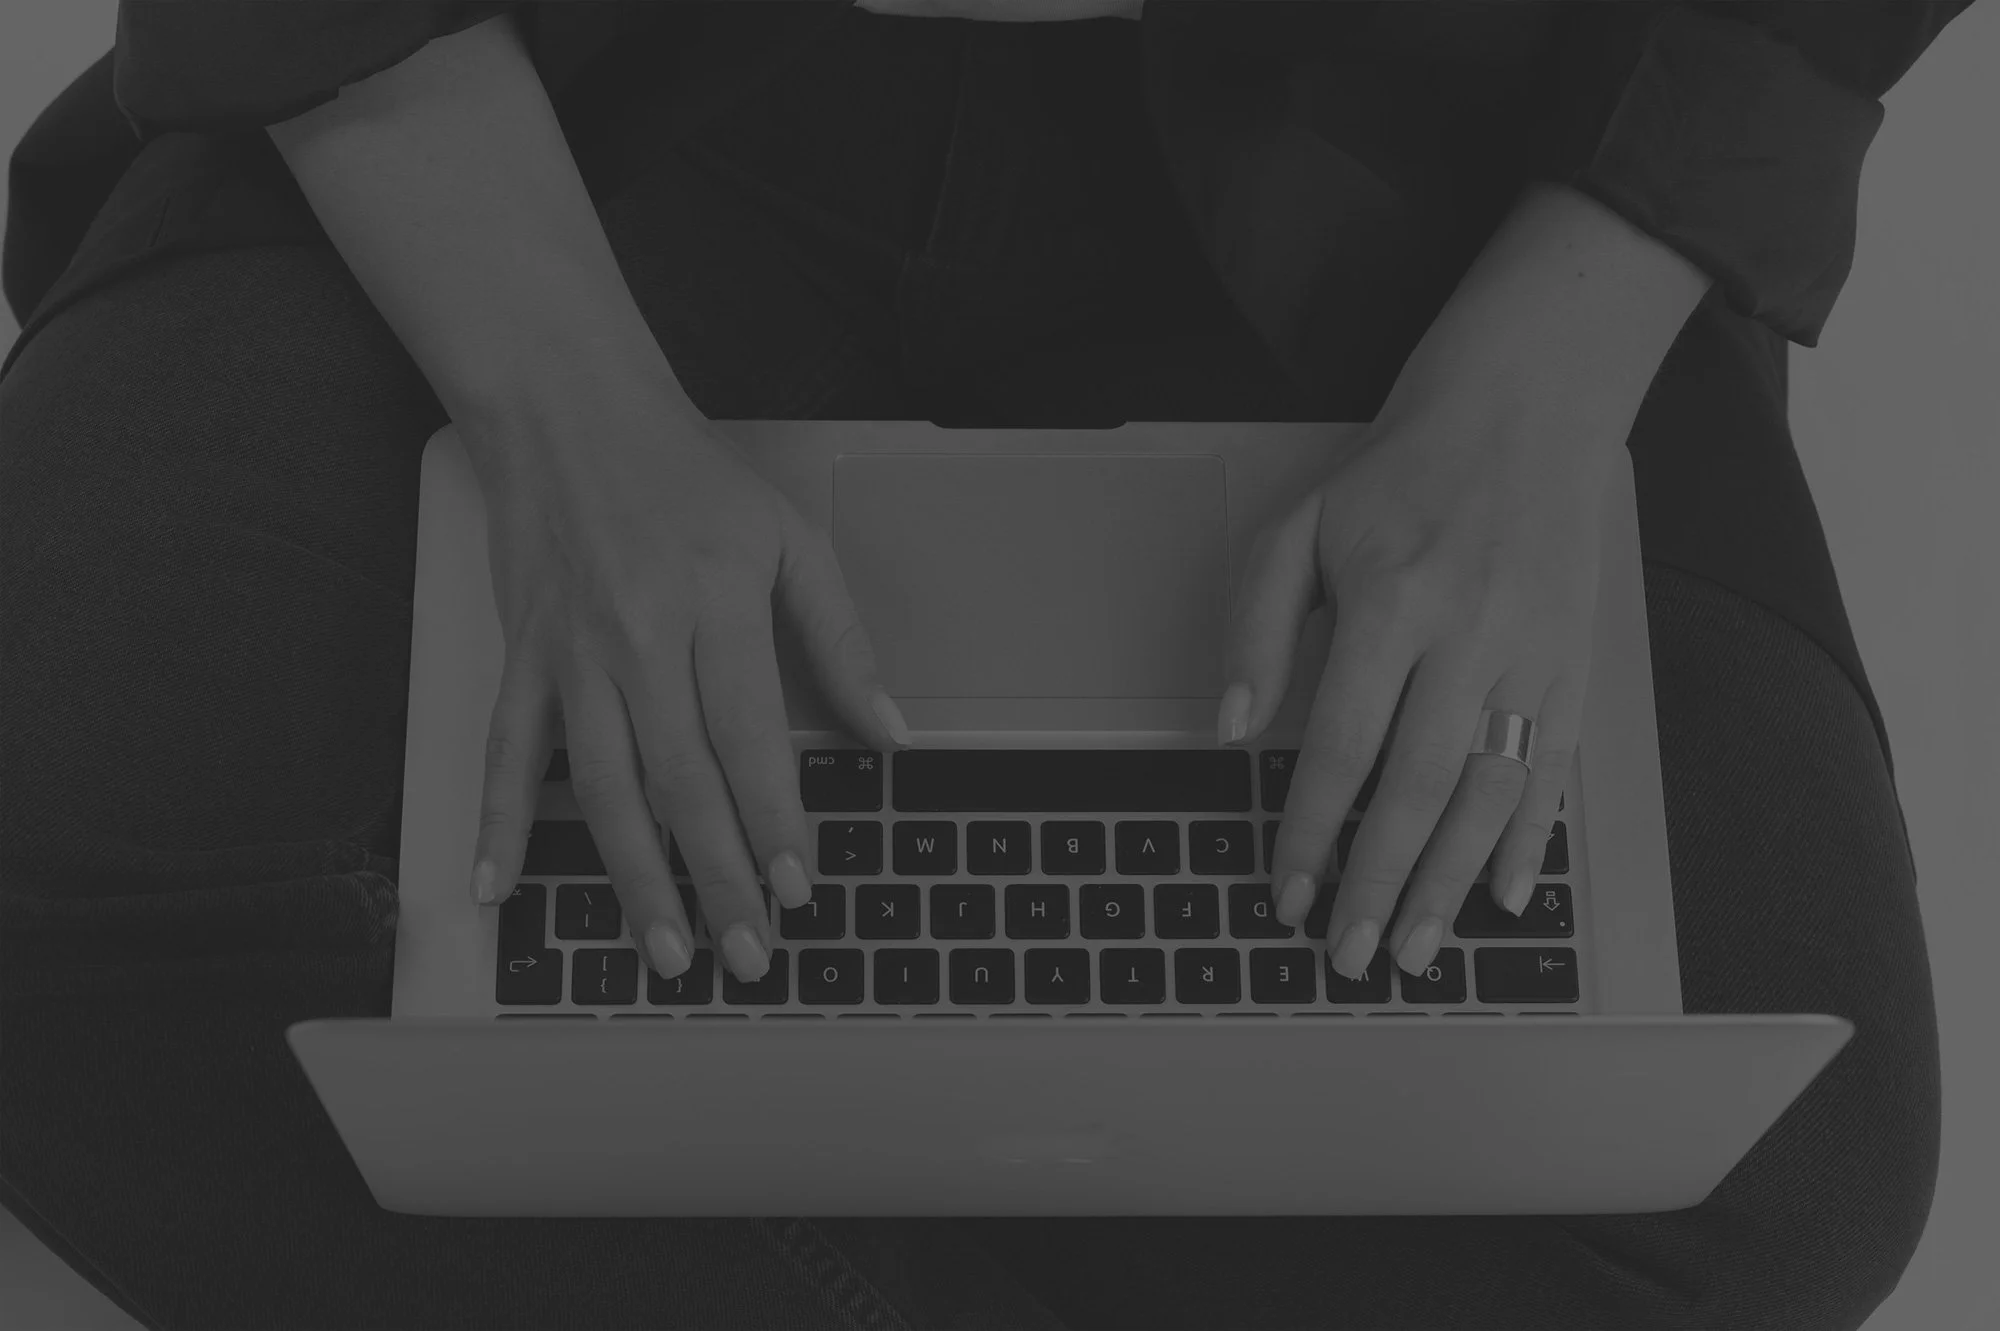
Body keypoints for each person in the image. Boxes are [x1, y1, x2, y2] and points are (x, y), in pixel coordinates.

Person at [0, 2, 1966, 1327]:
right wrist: (559, 410)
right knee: (53, 935)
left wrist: (1546, 365)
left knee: (1775, 1169)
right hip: (549, 106)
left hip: (1446, 159)